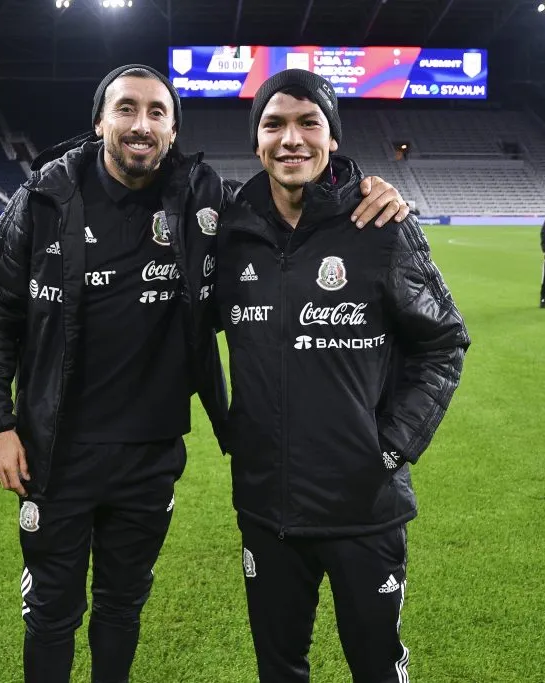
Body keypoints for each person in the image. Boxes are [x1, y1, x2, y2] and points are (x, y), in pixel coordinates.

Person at [0, 64, 410, 683]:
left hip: (149, 453)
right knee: (50, 613)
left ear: (173, 130)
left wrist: (364, 185)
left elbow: (292, 197)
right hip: (54, 448)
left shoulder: (202, 198)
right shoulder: (43, 197)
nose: (140, 125)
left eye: (156, 113)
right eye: (126, 110)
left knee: (121, 607)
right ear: (100, 122)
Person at [216, 70, 470, 682]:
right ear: (257, 141)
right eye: (274, 124)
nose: (291, 139)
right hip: (267, 507)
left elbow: (444, 343)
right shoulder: (230, 233)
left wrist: (390, 448)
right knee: (279, 669)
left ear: (332, 140)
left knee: (377, 666)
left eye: (309, 123)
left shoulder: (381, 224)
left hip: (365, 505)